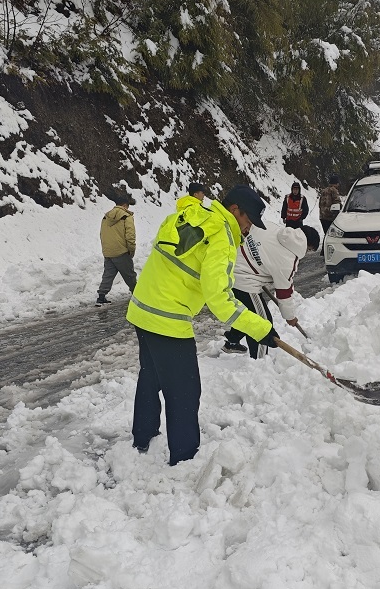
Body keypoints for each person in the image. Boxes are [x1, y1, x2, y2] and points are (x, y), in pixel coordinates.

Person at [126, 185, 280, 465]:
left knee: (151, 375)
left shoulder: (190, 213)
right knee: (184, 390)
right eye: (248, 222)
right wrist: (260, 328)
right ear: (235, 210)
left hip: (141, 308)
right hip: (167, 318)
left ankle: (143, 435)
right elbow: (220, 299)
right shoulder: (220, 234)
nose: (248, 230)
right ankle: (184, 459)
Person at [223, 225, 320, 359]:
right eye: (309, 250)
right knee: (262, 323)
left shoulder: (273, 228)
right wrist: (289, 316)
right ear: (307, 245)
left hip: (229, 268)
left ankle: (232, 342)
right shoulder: (288, 260)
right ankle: (259, 361)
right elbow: (284, 292)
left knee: (249, 313)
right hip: (244, 281)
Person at [96, 195, 137, 305]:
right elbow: (130, 236)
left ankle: (101, 297)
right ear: (124, 205)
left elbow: (102, 234)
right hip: (121, 251)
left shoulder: (106, 217)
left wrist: (105, 248)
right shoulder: (126, 217)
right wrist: (131, 250)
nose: (127, 209)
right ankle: (137, 295)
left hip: (108, 251)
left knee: (108, 275)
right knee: (130, 275)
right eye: (127, 207)